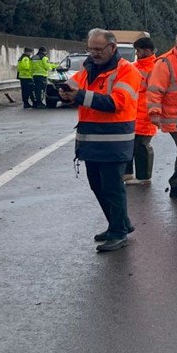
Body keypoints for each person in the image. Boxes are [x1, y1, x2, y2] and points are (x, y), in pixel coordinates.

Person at [58, 29, 141, 252]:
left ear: (112, 48)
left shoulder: (127, 71)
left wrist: (80, 96)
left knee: (113, 188)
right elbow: (74, 87)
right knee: (97, 186)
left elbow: (117, 103)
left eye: (98, 49)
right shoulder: (88, 69)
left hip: (115, 141)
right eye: (91, 49)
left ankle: (119, 232)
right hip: (91, 140)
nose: (93, 53)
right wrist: (65, 94)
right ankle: (119, 223)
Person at [147, 29, 177, 198]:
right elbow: (155, 89)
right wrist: (154, 113)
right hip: (174, 118)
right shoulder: (165, 62)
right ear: (176, 42)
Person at [124, 36, 158, 186]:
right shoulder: (135, 67)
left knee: (142, 146)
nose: (137, 53)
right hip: (132, 113)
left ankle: (144, 177)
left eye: (139, 50)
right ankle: (128, 174)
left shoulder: (155, 67)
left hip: (145, 114)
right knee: (129, 145)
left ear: (148, 51)